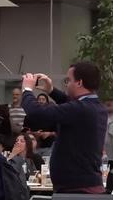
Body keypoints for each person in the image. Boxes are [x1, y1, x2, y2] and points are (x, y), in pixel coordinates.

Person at [21, 63, 108, 193]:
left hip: (77, 190)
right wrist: (51, 90)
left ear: (79, 83)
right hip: (81, 185)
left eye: (68, 80)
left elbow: (36, 113)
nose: (66, 84)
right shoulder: (95, 107)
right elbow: (70, 103)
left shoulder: (81, 109)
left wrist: (27, 90)